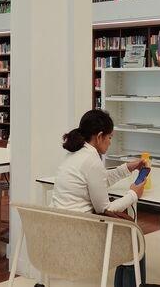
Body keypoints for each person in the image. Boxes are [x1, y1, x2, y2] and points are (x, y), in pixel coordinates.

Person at [50, 109, 146, 287]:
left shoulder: (76, 154)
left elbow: (99, 180)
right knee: (136, 239)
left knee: (129, 235)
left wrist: (127, 168)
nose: (110, 142)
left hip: (63, 228)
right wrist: (133, 194)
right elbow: (105, 209)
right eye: (110, 137)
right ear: (100, 136)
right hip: (82, 233)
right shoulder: (91, 160)